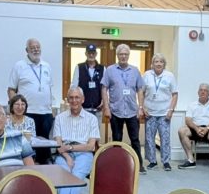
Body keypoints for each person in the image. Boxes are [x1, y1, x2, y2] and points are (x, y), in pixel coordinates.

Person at [52, 87, 100, 194]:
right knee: (64, 174)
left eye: (77, 97)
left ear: (82, 99)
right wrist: (67, 157)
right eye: (71, 97)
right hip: (64, 154)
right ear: (67, 100)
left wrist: (71, 148)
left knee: (77, 176)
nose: (74, 100)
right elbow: (58, 144)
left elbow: (90, 146)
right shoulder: (60, 118)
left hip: (84, 153)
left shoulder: (91, 119)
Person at [8, 38, 54, 164]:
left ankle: (44, 172)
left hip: (45, 112)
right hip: (27, 113)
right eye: (32, 47)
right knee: (27, 146)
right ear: (26, 50)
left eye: (38, 47)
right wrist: (15, 109)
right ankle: (28, 169)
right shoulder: (19, 66)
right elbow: (11, 89)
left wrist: (51, 107)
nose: (36, 49)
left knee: (44, 147)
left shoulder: (47, 66)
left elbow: (49, 89)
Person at [101, 44, 145, 173]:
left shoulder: (135, 70)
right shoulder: (110, 70)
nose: (123, 56)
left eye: (126, 54)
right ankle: (117, 163)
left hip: (132, 110)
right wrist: (106, 107)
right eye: (121, 54)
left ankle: (139, 165)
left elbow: (140, 90)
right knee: (117, 139)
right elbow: (104, 89)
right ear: (117, 55)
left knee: (135, 140)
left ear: (129, 56)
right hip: (116, 110)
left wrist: (141, 107)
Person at [142, 53, 178, 171]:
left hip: (164, 113)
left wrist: (171, 110)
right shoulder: (147, 75)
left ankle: (166, 161)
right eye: (156, 62)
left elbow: (174, 94)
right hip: (150, 112)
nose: (158, 64)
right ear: (152, 64)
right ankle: (152, 161)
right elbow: (141, 93)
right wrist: (142, 107)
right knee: (149, 138)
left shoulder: (169, 76)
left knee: (165, 138)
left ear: (164, 64)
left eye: (161, 62)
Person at [177, 83, 209, 170]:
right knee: (181, 131)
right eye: (201, 90)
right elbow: (188, 120)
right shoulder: (192, 105)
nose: (203, 92)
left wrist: (207, 128)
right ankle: (190, 160)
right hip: (195, 127)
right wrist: (197, 129)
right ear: (198, 92)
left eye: (205, 90)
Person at [70, 43, 104, 122]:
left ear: (96, 54)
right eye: (89, 53)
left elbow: (105, 87)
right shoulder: (79, 67)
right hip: (82, 109)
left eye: (93, 53)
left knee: (95, 133)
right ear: (86, 54)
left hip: (97, 109)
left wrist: (104, 101)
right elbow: (74, 87)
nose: (91, 55)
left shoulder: (102, 68)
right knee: (82, 131)